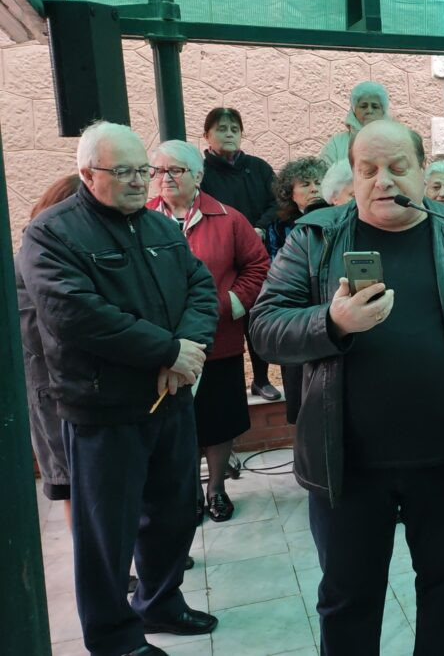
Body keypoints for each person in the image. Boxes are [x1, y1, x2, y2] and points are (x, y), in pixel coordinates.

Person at [249, 119, 444, 656]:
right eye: (368, 169)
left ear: (423, 172)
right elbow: (265, 329)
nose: (383, 180)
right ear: (353, 177)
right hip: (347, 467)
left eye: (397, 167)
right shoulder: (314, 239)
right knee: (348, 599)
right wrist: (331, 322)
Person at [17, 121, 219, 656]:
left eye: (142, 170)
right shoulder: (51, 234)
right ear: (87, 174)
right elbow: (74, 314)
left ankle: (161, 602)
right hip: (103, 409)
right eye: (123, 171)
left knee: (175, 513)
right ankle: (114, 639)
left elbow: (200, 287)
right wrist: (166, 351)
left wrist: (187, 349)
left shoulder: (158, 227)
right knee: (107, 534)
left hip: (170, 400)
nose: (138, 181)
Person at [147, 140, 270, 522]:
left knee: (218, 419)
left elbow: (258, 266)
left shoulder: (228, 218)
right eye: (158, 170)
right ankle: (189, 493)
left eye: (175, 170)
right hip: (162, 344)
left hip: (217, 341)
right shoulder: (140, 217)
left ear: (198, 175)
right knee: (174, 424)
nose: (165, 177)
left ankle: (216, 489)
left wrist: (227, 306)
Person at [200, 106, 280, 402]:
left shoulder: (258, 168)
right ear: (207, 136)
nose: (229, 134)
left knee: (256, 316)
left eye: (234, 129)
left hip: (254, 256)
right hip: (218, 257)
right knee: (223, 316)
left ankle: (261, 379)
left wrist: (259, 227)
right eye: (222, 129)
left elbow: (277, 203)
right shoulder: (201, 172)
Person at [18, 174, 81, 526]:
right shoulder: (29, 260)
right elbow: (35, 336)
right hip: (54, 391)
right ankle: (90, 556)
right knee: (72, 483)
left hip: (85, 390)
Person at [265, 159, 326, 426]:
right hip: (295, 315)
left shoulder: (336, 218)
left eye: (319, 182)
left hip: (326, 311)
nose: (314, 189)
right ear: (290, 192)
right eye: (306, 184)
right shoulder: (279, 227)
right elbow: (276, 271)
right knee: (297, 387)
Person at [321, 81, 390, 166]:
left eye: (375, 107)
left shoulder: (395, 141)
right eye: (363, 106)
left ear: (383, 112)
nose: (369, 110)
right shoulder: (336, 143)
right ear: (354, 111)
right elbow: (323, 172)